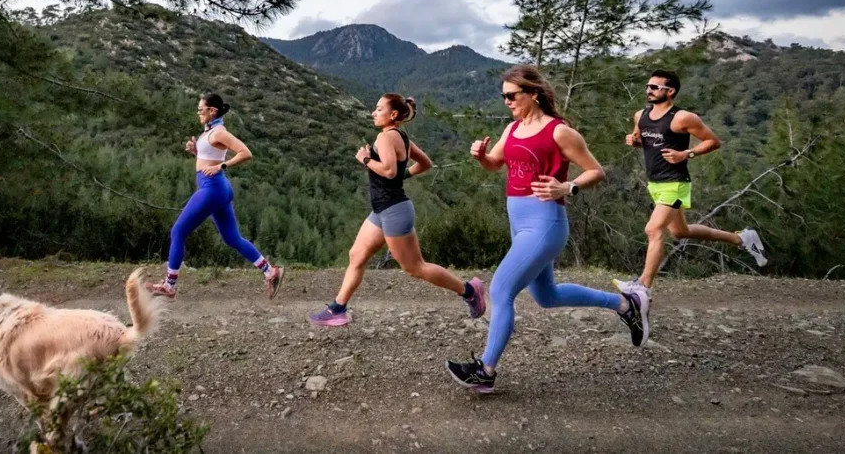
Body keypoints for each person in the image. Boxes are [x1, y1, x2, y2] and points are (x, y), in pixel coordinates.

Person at [445, 66, 649, 393]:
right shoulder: (512, 128)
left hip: (545, 223)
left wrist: (567, 187)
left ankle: (486, 370)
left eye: (512, 95)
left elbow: (595, 171)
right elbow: (496, 163)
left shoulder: (559, 132)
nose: (507, 101)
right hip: (519, 221)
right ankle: (626, 305)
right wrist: (481, 156)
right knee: (546, 296)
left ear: (533, 94)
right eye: (504, 96)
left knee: (500, 290)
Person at [309, 94, 486, 326]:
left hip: (394, 211)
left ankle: (469, 290)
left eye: (379, 108)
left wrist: (365, 160)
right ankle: (337, 309)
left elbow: (389, 171)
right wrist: (403, 174)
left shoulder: (385, 138)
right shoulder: (401, 136)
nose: (374, 112)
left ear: (393, 115)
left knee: (415, 268)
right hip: (382, 210)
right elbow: (425, 164)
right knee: (357, 255)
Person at [614, 69, 767, 299]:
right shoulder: (641, 116)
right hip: (654, 183)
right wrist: (633, 141)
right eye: (648, 86)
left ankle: (643, 287)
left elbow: (713, 142)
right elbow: (643, 142)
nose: (649, 90)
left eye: (655, 87)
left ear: (670, 91)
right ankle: (741, 239)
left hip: (675, 182)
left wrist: (687, 154)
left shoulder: (682, 118)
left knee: (653, 229)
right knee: (679, 232)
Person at [144, 93, 284, 300]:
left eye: (201, 109)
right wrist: (195, 151)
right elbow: (209, 156)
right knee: (232, 238)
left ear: (212, 111)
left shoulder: (219, 132)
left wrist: (221, 166)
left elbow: (245, 152)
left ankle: (169, 285)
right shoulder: (209, 131)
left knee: (178, 231)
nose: (198, 113)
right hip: (219, 189)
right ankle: (270, 271)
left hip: (212, 189)